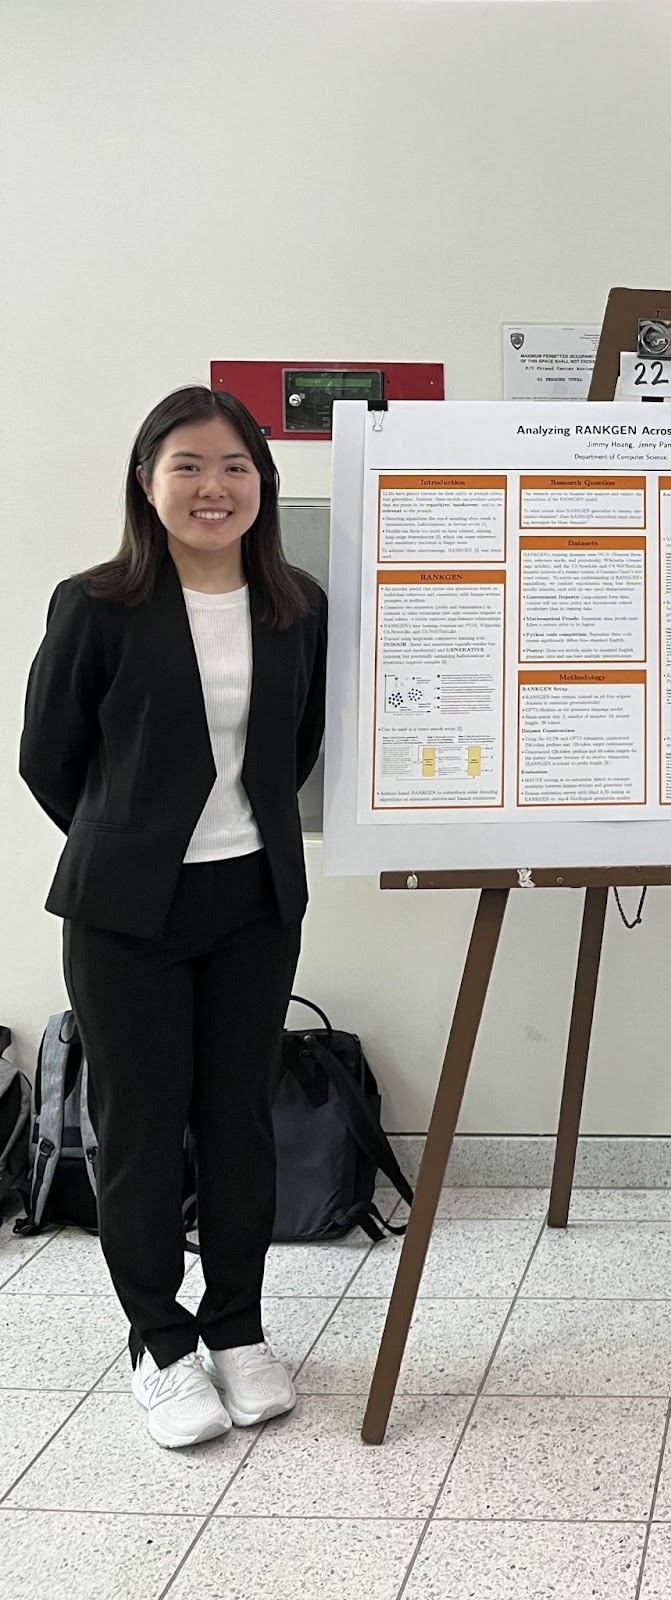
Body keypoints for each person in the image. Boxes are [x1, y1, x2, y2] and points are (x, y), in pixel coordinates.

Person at [20, 386, 328, 1449]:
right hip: (125, 913)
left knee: (239, 1123)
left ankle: (236, 1327)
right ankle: (159, 1341)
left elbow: (294, 751)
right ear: (147, 484)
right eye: (188, 465)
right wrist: (132, 837)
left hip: (252, 900)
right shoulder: (95, 603)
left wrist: (221, 842)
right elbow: (49, 757)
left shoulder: (296, 602)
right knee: (143, 1132)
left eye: (235, 465)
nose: (214, 486)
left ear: (262, 483)